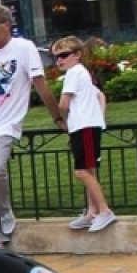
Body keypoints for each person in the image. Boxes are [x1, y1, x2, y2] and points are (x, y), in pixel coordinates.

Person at [0, 5, 65, 248]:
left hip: (4, 126)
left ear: (7, 25)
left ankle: (5, 211)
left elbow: (40, 83)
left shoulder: (24, 48)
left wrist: (57, 117)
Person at [53, 37, 115, 232]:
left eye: (63, 55)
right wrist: (99, 118)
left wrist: (61, 118)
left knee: (81, 171)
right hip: (86, 125)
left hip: (83, 126)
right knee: (88, 170)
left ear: (77, 55)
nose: (59, 60)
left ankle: (104, 210)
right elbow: (100, 95)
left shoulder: (74, 73)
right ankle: (92, 211)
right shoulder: (82, 73)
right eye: (56, 57)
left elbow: (63, 103)